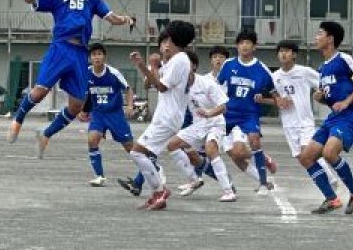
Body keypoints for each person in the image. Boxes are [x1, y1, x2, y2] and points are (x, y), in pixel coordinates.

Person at [7, 0, 134, 146]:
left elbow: (111, 17)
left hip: (80, 53)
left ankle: (46, 134)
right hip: (61, 46)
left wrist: (126, 19)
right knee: (40, 91)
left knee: (76, 106)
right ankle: (18, 120)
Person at [297, 20, 353, 215]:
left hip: (349, 117)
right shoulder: (322, 68)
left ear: (330, 38)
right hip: (333, 118)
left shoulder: (344, 59)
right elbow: (330, 99)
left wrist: (347, 101)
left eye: (320, 33)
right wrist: (320, 98)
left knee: (329, 154)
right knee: (306, 157)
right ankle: (331, 198)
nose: (316, 37)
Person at [126, 20, 195, 211]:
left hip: (168, 116)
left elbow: (162, 86)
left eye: (166, 40)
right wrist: (146, 66)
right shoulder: (175, 61)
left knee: (137, 152)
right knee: (145, 154)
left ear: (171, 40)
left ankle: (160, 191)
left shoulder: (180, 60)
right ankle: (156, 193)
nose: (163, 45)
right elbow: (151, 84)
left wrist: (150, 66)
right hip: (166, 115)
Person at [167, 48, 237, 202]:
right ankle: (194, 179)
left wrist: (210, 113)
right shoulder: (179, 85)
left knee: (210, 149)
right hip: (197, 125)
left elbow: (224, 106)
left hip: (215, 123)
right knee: (172, 145)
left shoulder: (206, 83)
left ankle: (228, 190)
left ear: (193, 66)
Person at [270, 40, 341, 191]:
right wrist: (278, 100)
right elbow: (272, 94)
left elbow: (324, 83)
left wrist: (321, 93)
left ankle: (331, 180)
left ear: (294, 54)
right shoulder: (275, 76)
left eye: (287, 51)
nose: (283, 54)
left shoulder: (304, 71)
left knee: (307, 151)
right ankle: (329, 178)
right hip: (288, 123)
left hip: (305, 121)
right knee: (301, 157)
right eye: (281, 51)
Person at [216, 28, 277, 195]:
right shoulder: (228, 65)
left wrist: (264, 98)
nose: (244, 46)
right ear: (237, 46)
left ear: (254, 47)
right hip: (228, 115)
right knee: (235, 155)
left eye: (248, 43)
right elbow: (218, 89)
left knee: (253, 141)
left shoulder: (262, 70)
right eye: (241, 43)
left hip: (249, 115)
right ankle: (263, 164)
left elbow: (274, 93)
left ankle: (263, 184)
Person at [79, 43, 135, 185]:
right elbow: (83, 94)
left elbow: (128, 89)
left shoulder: (113, 73)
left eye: (99, 54)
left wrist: (129, 106)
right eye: (94, 54)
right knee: (92, 139)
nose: (97, 57)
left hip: (115, 114)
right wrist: (82, 110)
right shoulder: (86, 74)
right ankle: (99, 176)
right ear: (90, 58)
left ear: (104, 57)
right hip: (98, 114)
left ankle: (150, 168)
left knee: (130, 147)